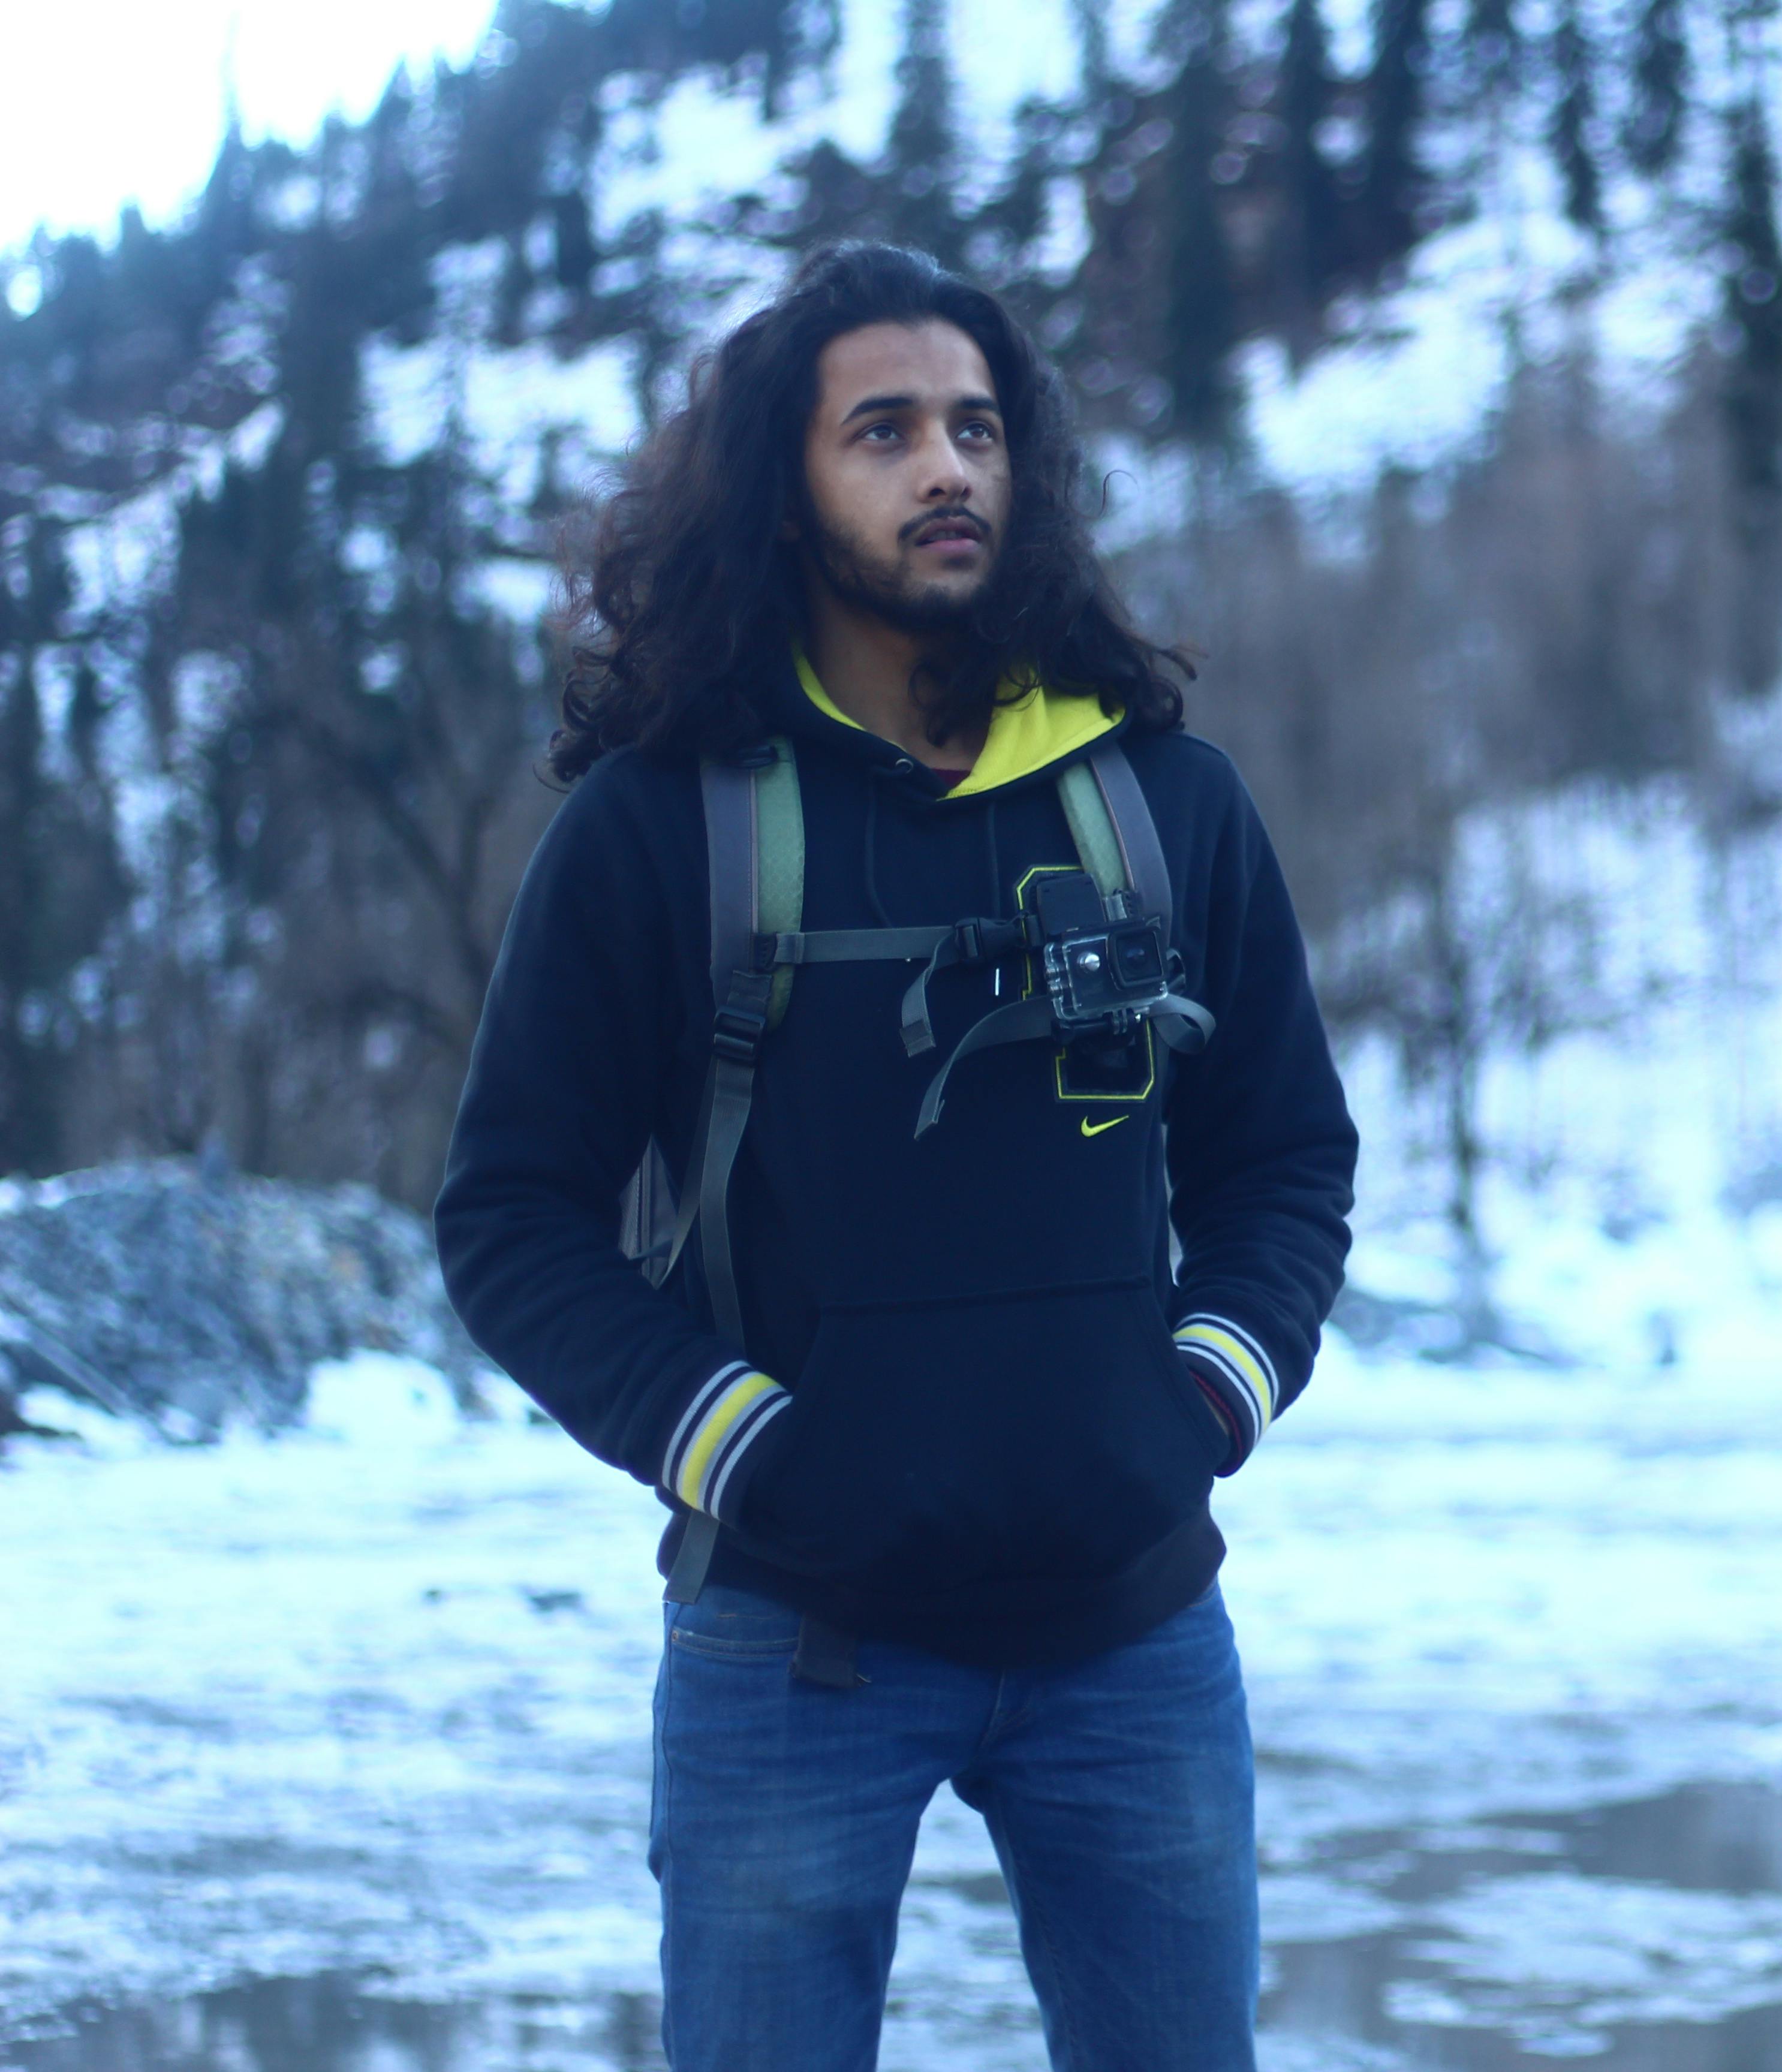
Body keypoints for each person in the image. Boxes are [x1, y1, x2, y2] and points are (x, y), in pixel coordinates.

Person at [435, 242, 1356, 2072]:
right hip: (796, 1644)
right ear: (782, 488)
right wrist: (747, 1448)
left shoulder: (1164, 803)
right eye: (886, 431)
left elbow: (1285, 1160)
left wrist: (1202, 1402)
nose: (948, 467)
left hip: (1136, 1638)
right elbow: (513, 1215)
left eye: (977, 428)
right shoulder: (657, 831)